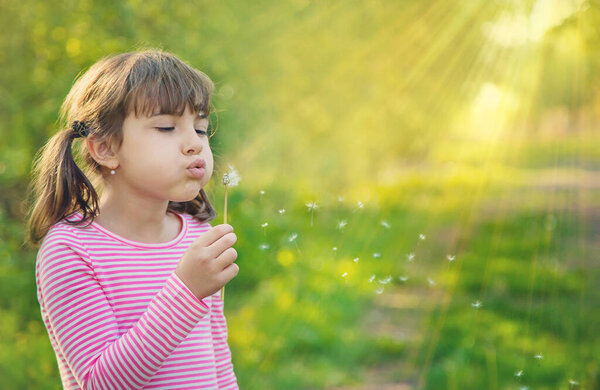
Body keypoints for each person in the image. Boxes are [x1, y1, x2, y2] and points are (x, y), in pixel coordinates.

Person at [26, 49, 240, 389]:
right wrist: (186, 291)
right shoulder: (71, 250)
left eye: (200, 129)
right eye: (167, 127)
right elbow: (101, 382)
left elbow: (218, 362)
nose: (194, 144)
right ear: (107, 148)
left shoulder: (197, 235)